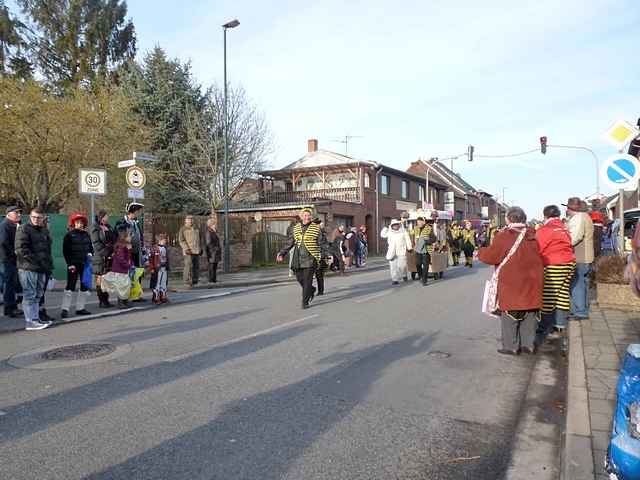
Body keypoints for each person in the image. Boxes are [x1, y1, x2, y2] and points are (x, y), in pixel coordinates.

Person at [478, 207, 544, 355]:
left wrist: (481, 251)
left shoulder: (504, 235)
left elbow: (491, 256)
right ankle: (529, 344)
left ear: (509, 219)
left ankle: (511, 346)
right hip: (533, 279)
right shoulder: (533, 234)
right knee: (529, 311)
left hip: (512, 280)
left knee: (510, 313)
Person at [535, 205, 576, 350]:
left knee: (549, 296)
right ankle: (560, 325)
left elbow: (538, 248)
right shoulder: (563, 228)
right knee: (562, 294)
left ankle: (545, 328)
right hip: (569, 263)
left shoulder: (545, 230)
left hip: (554, 263)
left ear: (545, 216)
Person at [276, 208, 331, 309]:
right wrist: (282, 253)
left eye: (309, 215)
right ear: (301, 216)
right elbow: (290, 242)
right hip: (298, 257)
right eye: (305, 215)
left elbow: (322, 242)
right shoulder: (295, 228)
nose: (307, 217)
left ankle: (305, 302)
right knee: (299, 278)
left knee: (307, 279)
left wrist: (328, 254)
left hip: (311, 257)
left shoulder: (316, 228)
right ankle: (311, 290)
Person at [15, 208, 53, 331]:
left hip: (41, 268)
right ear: (30, 217)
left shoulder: (44, 230)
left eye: (39, 217)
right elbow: (21, 249)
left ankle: (35, 318)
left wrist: (48, 266)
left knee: (38, 294)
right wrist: (36, 262)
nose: (36, 219)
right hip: (28, 267)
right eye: (34, 217)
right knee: (29, 294)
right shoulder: (24, 228)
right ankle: (30, 321)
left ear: (43, 218)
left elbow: (47, 251)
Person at [564, 197, 594, 320]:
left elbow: (574, 238)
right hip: (586, 255)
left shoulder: (578, 218)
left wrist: (562, 245)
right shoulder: (585, 216)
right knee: (582, 283)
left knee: (577, 284)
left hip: (580, 256)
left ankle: (580, 311)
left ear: (571, 208)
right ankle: (582, 309)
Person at [61, 212, 94, 318]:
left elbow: (90, 248)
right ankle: (65, 309)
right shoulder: (69, 235)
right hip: (73, 264)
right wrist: (69, 264)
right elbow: (65, 251)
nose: (79, 224)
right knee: (70, 285)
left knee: (84, 286)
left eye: (81, 222)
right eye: (77, 222)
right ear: (74, 223)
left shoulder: (86, 235)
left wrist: (90, 254)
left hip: (84, 264)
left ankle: (80, 308)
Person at [101, 227, 133, 309]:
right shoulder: (121, 246)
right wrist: (128, 265)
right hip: (119, 270)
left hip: (124, 270)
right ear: (125, 237)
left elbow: (129, 258)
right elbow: (120, 258)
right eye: (129, 236)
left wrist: (130, 263)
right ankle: (121, 302)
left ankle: (124, 301)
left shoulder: (126, 245)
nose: (131, 238)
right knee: (121, 286)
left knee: (125, 286)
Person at [90, 209, 116, 308]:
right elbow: (96, 243)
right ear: (101, 217)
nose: (107, 218)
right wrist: (106, 252)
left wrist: (113, 251)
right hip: (99, 257)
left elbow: (113, 239)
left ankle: (106, 299)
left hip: (109, 256)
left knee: (107, 279)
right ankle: (102, 300)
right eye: (106, 216)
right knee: (100, 279)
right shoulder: (95, 227)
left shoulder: (108, 227)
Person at [0, 206, 22, 318]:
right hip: (8, 259)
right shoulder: (5, 225)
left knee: (13, 283)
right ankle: (9, 308)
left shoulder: (15, 225)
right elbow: (3, 243)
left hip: (13, 259)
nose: (19, 214)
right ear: (8, 214)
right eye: (16, 212)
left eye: (19, 212)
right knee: (9, 283)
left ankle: (13, 306)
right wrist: (13, 253)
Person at [381, 219, 413, 285]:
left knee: (402, 266)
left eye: (396, 225)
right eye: (394, 225)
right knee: (393, 266)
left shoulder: (403, 232)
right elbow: (382, 235)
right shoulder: (389, 232)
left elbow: (407, 240)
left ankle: (404, 274)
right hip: (392, 252)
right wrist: (386, 227)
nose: (395, 226)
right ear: (392, 226)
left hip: (401, 251)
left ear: (399, 225)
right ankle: (394, 279)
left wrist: (409, 248)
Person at [179, 215, 201, 288]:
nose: (190, 221)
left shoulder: (196, 228)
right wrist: (186, 248)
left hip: (196, 250)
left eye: (191, 219)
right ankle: (186, 281)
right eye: (189, 219)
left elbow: (199, 239)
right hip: (188, 251)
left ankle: (195, 280)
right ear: (185, 220)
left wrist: (200, 248)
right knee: (188, 266)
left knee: (196, 266)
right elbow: (181, 240)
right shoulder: (183, 229)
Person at [413, 215, 437, 286]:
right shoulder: (416, 228)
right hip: (417, 250)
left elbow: (434, 239)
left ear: (423, 222)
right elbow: (411, 235)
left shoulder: (429, 228)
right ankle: (420, 276)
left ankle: (424, 280)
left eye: (420, 222)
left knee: (426, 265)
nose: (419, 223)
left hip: (426, 250)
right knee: (418, 264)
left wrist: (427, 241)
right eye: (418, 222)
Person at [149, 233, 170, 304]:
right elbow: (151, 259)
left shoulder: (165, 248)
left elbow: (167, 258)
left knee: (164, 282)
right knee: (157, 283)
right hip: (157, 269)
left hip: (164, 268)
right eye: (164, 239)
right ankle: (155, 297)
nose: (166, 241)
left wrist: (168, 266)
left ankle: (163, 296)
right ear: (160, 240)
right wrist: (151, 268)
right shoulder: (154, 248)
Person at [314, 218, 329, 295]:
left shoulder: (322, 233)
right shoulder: (315, 233)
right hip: (314, 255)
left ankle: (320, 290)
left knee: (319, 274)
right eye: (320, 225)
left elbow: (324, 245)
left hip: (320, 256)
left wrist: (326, 256)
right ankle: (318, 290)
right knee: (317, 274)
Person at [205, 219, 221, 283]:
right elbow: (208, 243)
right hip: (211, 252)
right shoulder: (209, 232)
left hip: (215, 252)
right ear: (211, 225)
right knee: (211, 267)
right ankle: (211, 280)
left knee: (215, 266)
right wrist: (215, 248)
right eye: (214, 224)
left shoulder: (214, 232)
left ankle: (214, 279)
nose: (216, 225)